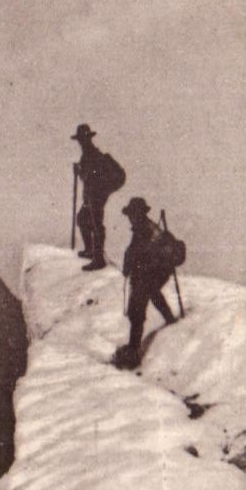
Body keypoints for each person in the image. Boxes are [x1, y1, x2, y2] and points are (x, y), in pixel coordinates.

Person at [114, 197, 178, 369]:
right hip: (151, 274)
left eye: (133, 214)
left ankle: (133, 351)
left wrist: (131, 268)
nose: (130, 217)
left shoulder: (145, 230)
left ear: (139, 213)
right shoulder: (145, 228)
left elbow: (140, 253)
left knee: (137, 309)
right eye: (130, 214)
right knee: (149, 297)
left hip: (151, 273)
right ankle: (169, 319)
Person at [72, 124, 124, 271]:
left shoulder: (93, 155)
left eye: (83, 138)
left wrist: (80, 172)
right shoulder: (88, 154)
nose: (81, 141)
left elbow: (89, 177)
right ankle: (90, 251)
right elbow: (87, 177)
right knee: (83, 219)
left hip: (96, 196)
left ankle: (98, 259)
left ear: (88, 138)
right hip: (92, 195)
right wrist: (80, 171)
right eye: (80, 139)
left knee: (96, 225)